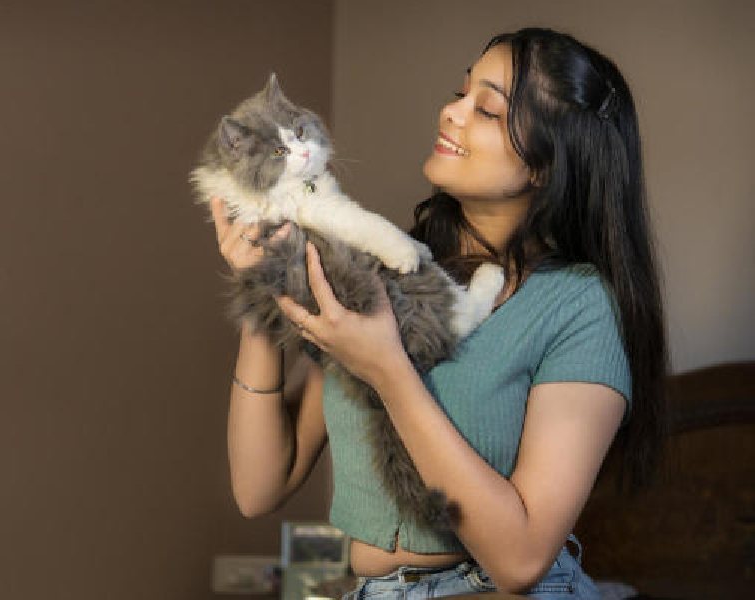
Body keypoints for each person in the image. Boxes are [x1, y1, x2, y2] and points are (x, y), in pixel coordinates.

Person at [210, 27, 666, 599]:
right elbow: (259, 487)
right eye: (459, 92)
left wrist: (387, 369)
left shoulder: (578, 306)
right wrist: (263, 289)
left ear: (547, 166)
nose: (451, 112)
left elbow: (521, 560)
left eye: (487, 110)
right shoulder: (385, 273)